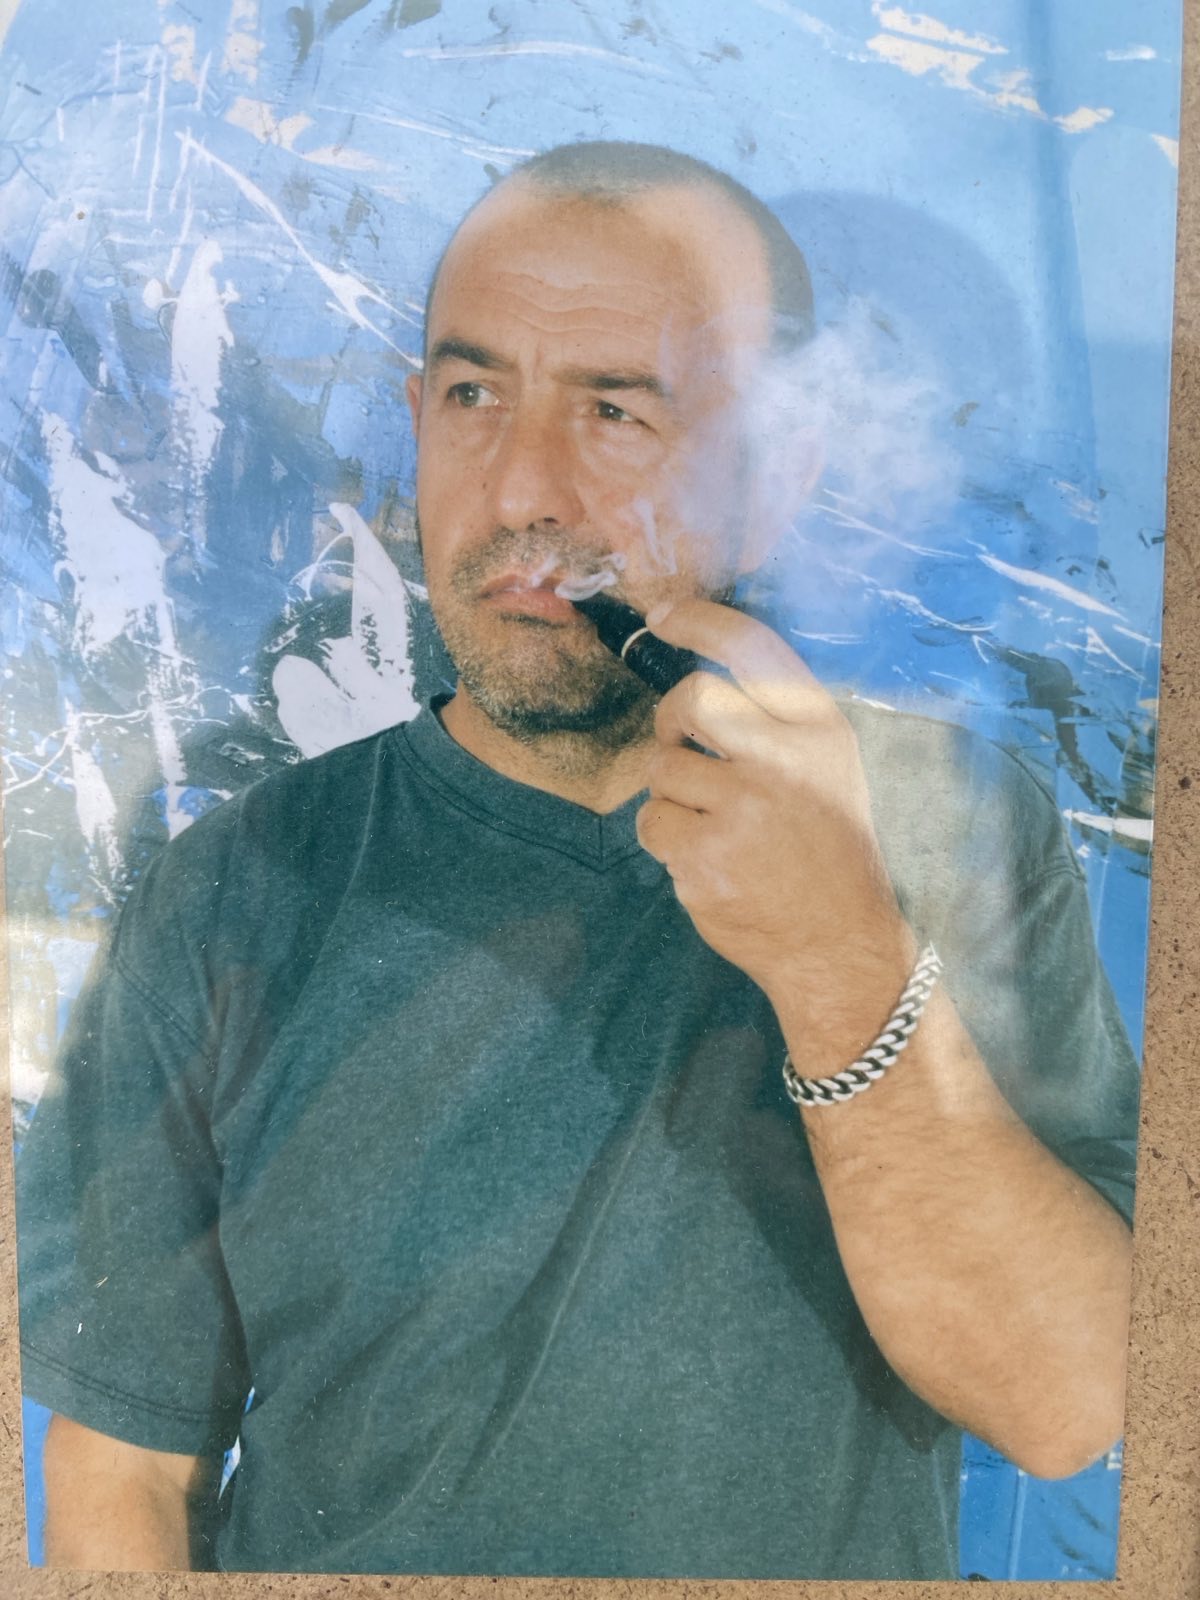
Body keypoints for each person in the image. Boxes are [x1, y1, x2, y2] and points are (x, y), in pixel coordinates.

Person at [16, 141, 1138, 1580]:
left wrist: (841, 960)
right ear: (416, 420)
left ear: (777, 476)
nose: (519, 492)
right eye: (474, 398)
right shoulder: (237, 884)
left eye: (616, 411)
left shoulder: (949, 825)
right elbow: (123, 1472)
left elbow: (1061, 1406)